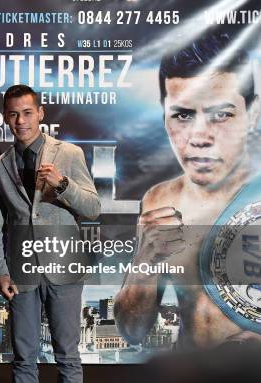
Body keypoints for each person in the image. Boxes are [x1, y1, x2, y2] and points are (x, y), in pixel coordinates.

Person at [114, 32, 261, 348]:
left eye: (220, 114)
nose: (199, 136)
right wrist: (145, 262)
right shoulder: (160, 200)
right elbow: (132, 331)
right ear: (164, 116)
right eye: (183, 115)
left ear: (253, 114)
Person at [0, 85, 100, 383]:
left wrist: (62, 184)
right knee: (24, 359)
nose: (20, 121)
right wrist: (1, 273)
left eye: (26, 113)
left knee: (68, 356)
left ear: (40, 113)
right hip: (20, 272)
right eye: (13, 115)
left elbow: (93, 208)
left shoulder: (70, 154)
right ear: (5, 118)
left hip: (64, 267)